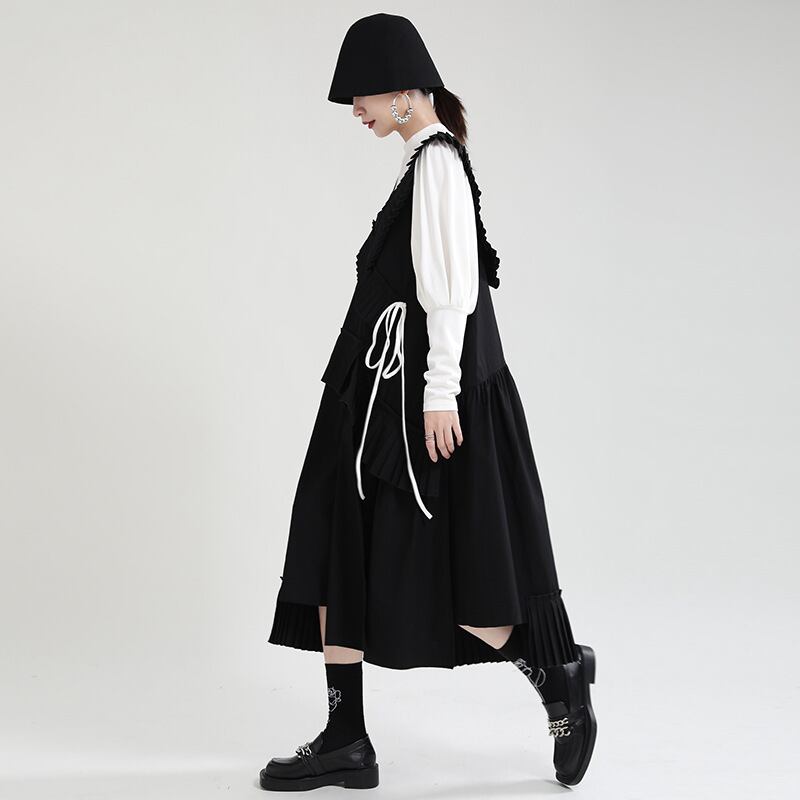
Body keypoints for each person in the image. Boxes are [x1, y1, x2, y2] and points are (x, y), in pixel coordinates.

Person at [260, 12, 597, 792]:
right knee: (336, 550)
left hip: (411, 402)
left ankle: (557, 673)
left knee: (443, 562)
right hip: (371, 397)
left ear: (406, 91)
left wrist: (439, 395)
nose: (355, 109)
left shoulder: (438, 162)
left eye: (362, 94)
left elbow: (452, 293)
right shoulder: (422, 162)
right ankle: (345, 738)